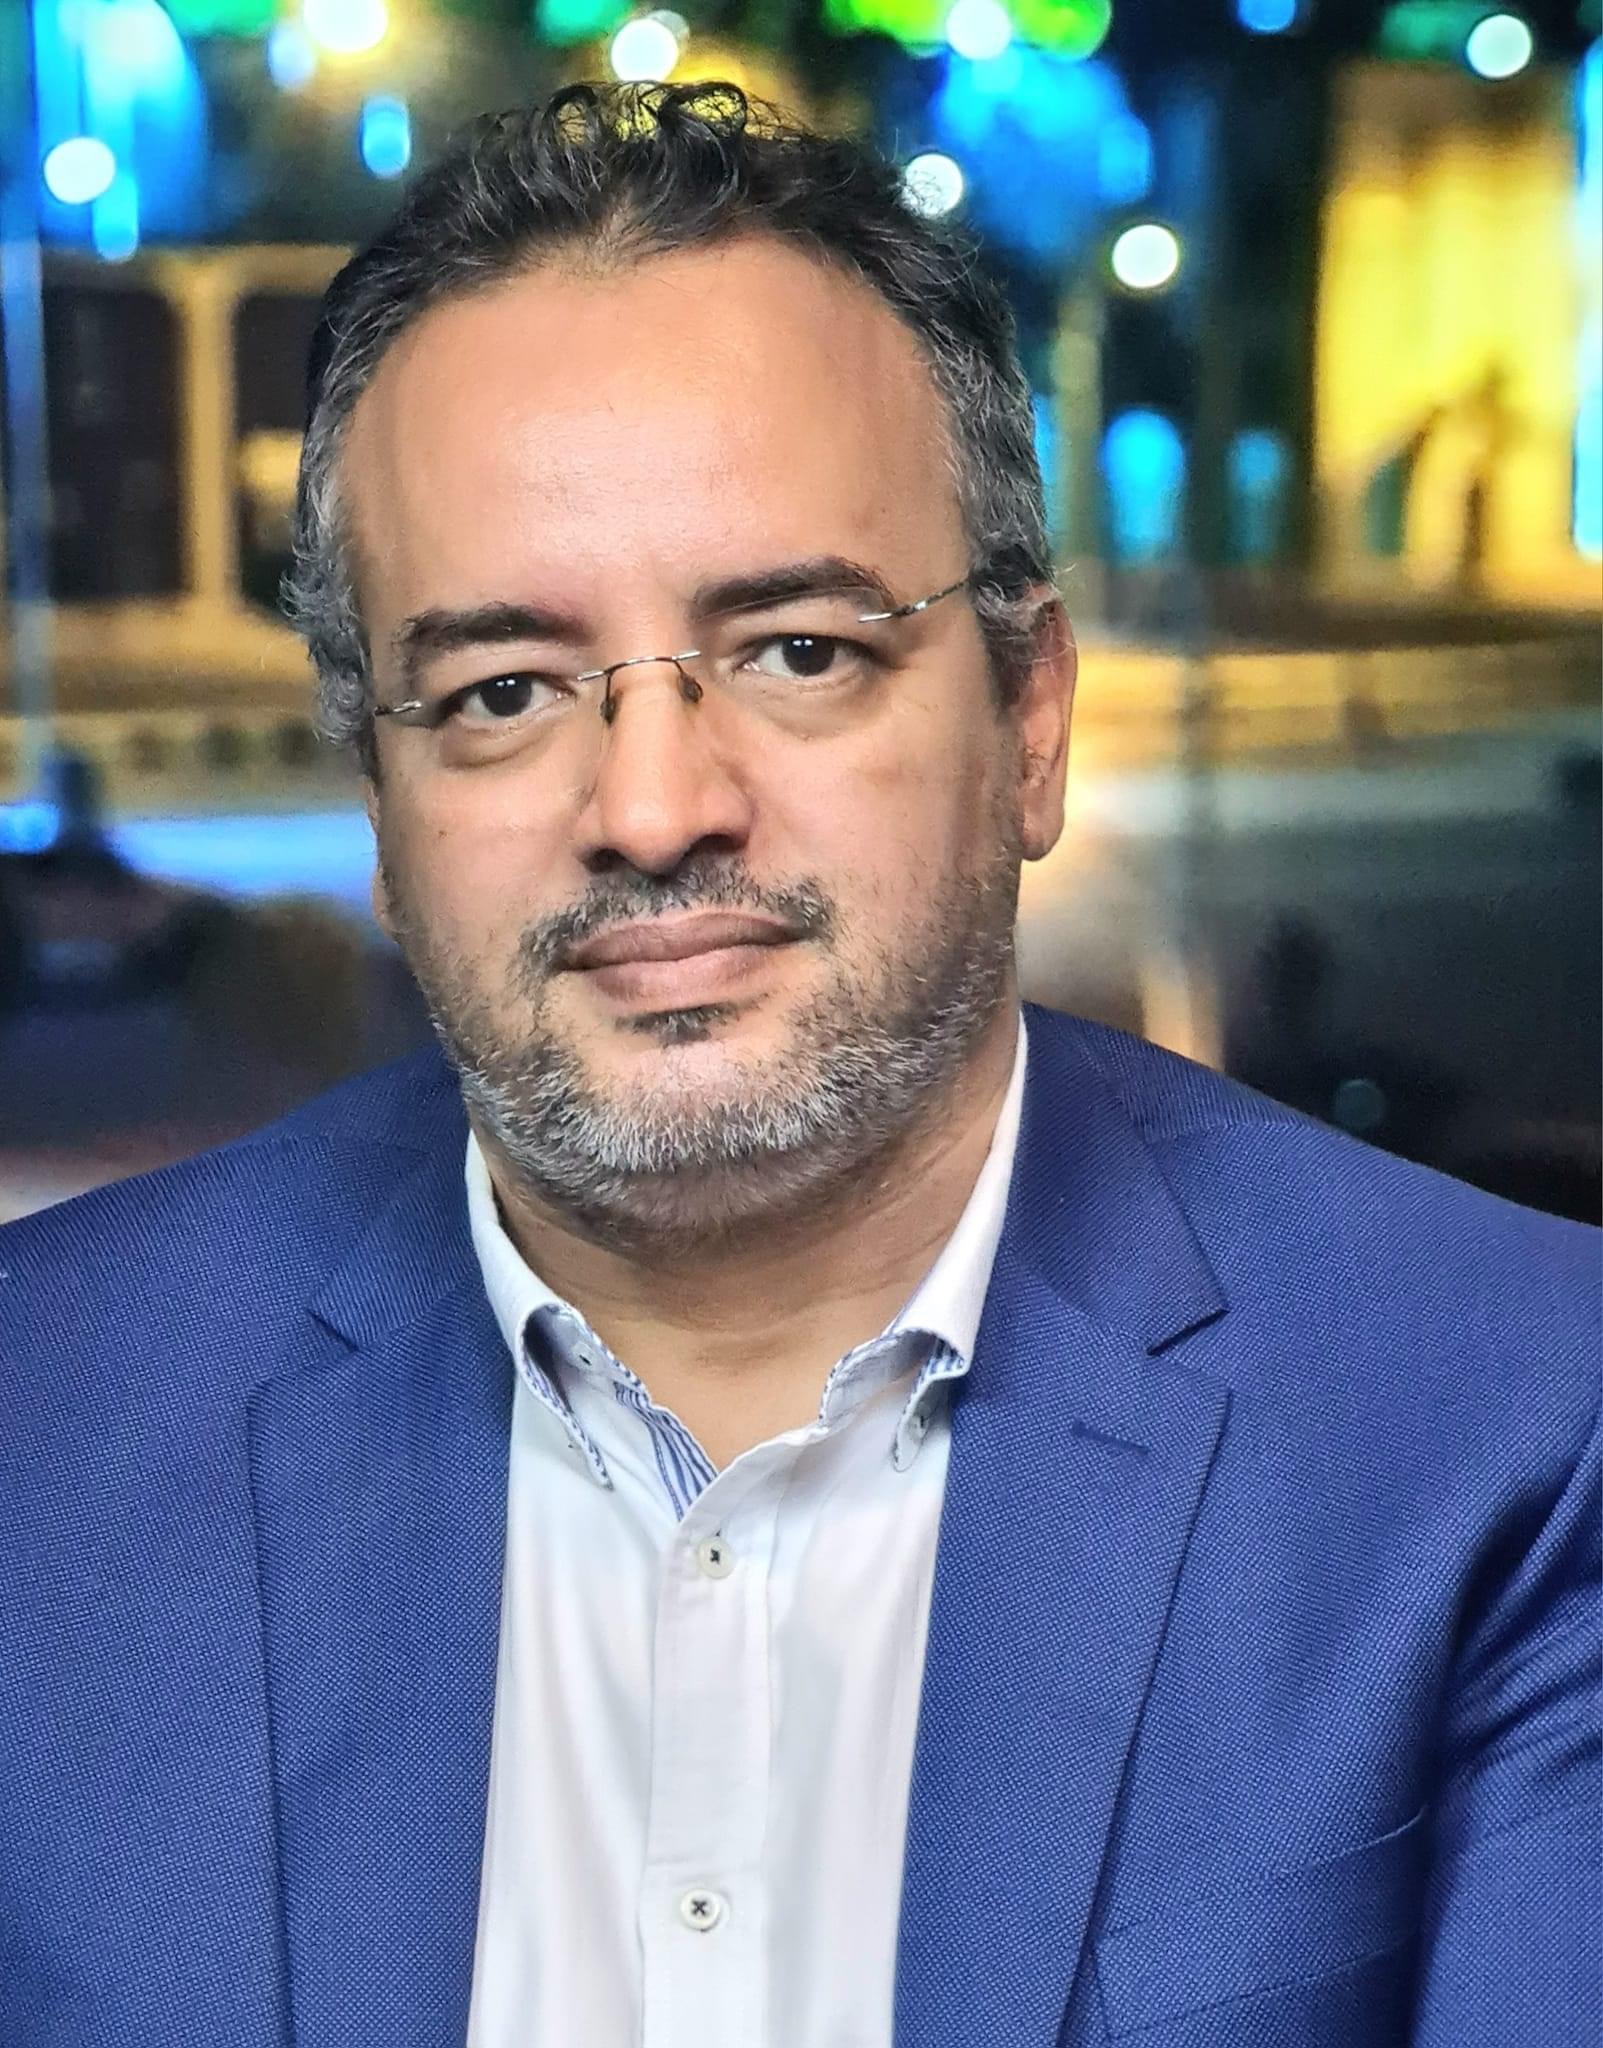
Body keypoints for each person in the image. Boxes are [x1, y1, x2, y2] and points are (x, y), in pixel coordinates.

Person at [0, 83, 1595, 2048]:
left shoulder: (1516, 1428)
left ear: (1028, 718)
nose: (653, 806)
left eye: (799, 651)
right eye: (501, 690)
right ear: (384, 807)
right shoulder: (35, 1433)